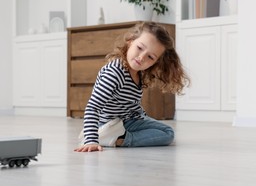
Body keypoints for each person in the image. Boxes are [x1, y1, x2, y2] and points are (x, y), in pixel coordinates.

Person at [74, 21, 190, 152]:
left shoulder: (138, 73)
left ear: (155, 62)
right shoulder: (114, 73)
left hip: (128, 120)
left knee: (165, 130)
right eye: (140, 48)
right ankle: (118, 140)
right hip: (114, 123)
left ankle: (113, 136)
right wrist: (91, 140)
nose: (141, 57)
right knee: (168, 133)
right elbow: (93, 107)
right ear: (130, 41)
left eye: (150, 57)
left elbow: (130, 103)